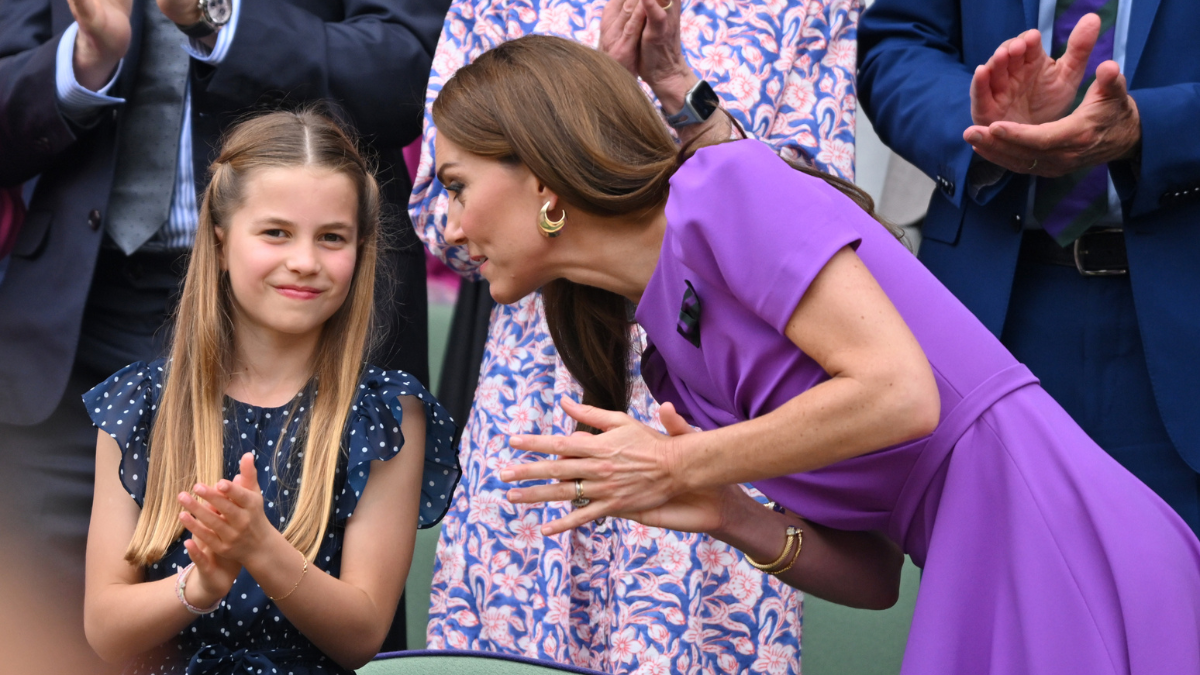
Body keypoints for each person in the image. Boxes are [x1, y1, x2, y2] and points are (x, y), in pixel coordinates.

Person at [434, 35, 1200, 673]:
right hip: (972, 576)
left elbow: (902, 393)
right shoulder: (672, 354)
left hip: (1058, 543)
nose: (451, 228)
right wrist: (729, 512)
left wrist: (683, 465)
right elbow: (873, 576)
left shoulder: (724, 187)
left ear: (539, 177)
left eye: (457, 185)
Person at [409, 0, 860, 670]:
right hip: (539, 388)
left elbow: (822, 210)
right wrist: (576, 120)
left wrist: (676, 98)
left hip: (714, 401)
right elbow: (441, 222)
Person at [0, 0, 446, 660]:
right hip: (72, 336)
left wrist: (216, 18)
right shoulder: (125, 401)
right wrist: (83, 62)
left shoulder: (380, 410)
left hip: (308, 335)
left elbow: (410, 68)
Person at [82, 110, 460, 674]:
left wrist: (261, 548)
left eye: (332, 238)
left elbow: (362, 632)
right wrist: (199, 585)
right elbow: (105, 629)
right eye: (276, 232)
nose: (304, 262)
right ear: (220, 237)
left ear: (361, 251)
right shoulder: (141, 402)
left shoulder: (386, 414)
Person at [857, 1, 1200, 536]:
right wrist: (981, 127)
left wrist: (1149, 130)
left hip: (1181, 318)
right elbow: (898, 43)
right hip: (990, 318)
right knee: (997, 605)